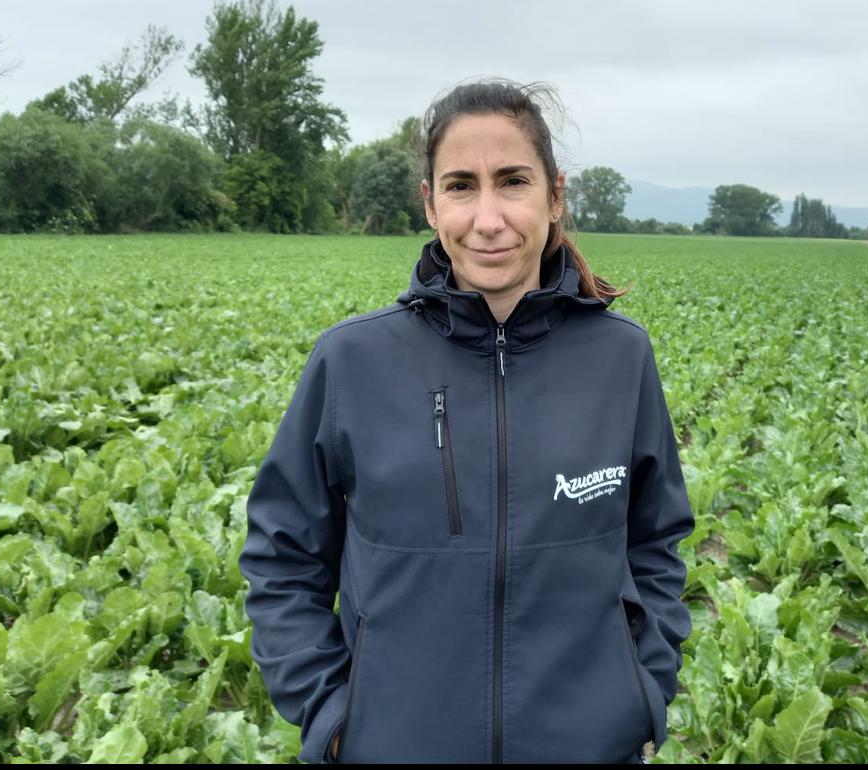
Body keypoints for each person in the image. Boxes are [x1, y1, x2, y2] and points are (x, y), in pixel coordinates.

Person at [239, 77, 695, 764]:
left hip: (587, 747)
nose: (488, 218)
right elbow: (282, 556)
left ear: (555, 194)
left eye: (513, 181)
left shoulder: (620, 357)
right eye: (460, 185)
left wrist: (640, 690)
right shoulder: (353, 360)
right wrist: (334, 714)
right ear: (430, 203)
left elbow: (656, 541)